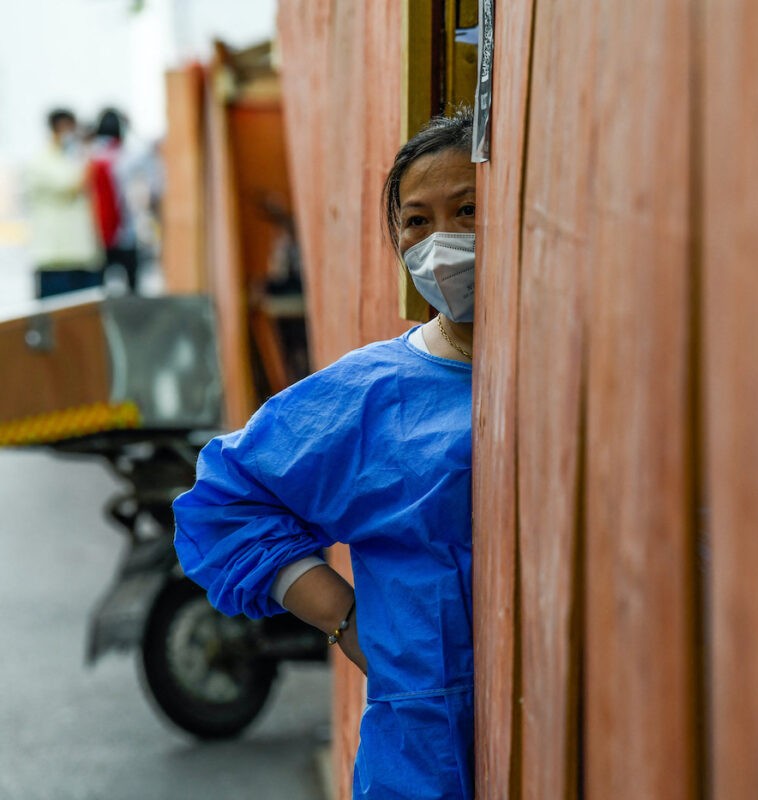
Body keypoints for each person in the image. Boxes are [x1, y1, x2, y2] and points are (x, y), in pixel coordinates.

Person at [173, 108, 478, 799]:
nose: (443, 243)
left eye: (468, 209)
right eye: (417, 222)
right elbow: (225, 503)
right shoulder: (373, 394)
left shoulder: (577, 379)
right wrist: (343, 620)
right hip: (423, 757)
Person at [25, 108, 102, 298]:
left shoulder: (72, 158)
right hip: (57, 261)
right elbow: (73, 185)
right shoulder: (41, 161)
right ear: (58, 128)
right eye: (69, 128)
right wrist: (88, 153)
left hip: (84, 258)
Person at [88, 108, 141, 293]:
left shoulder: (91, 154)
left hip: (101, 231)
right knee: (132, 287)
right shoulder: (128, 155)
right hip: (123, 229)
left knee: (99, 290)